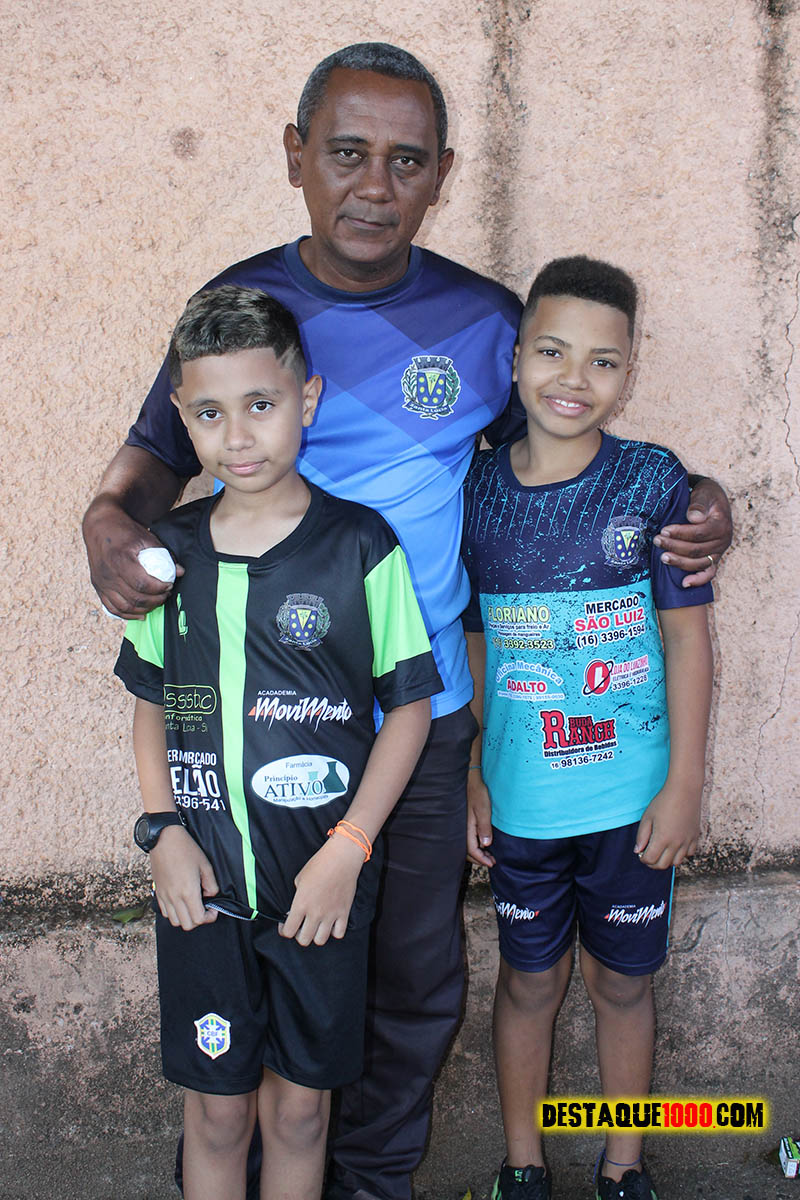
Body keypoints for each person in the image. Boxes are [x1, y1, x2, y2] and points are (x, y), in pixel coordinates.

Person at [83, 44, 732, 1200]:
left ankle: (370, 1184)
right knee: (252, 960)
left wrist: (698, 502)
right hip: (256, 721)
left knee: (413, 978)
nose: (374, 186)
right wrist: (103, 522)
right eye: (345, 153)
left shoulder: (481, 320)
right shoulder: (242, 308)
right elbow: (152, 457)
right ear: (296, 156)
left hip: (423, 718)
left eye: (405, 160)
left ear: (441, 174)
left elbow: (560, 450)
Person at [115, 284, 441, 1200]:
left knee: (300, 1115)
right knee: (218, 1116)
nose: (239, 436)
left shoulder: (361, 546)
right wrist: (161, 832)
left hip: (320, 894)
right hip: (203, 893)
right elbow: (149, 701)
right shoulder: (169, 554)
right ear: (182, 415)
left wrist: (349, 848)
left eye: (261, 404)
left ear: (308, 399)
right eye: (210, 413)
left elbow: (409, 708)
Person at [463, 256, 715, 1200]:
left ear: (629, 373)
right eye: (553, 352)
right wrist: (476, 770)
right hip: (523, 804)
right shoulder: (475, 491)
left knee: (623, 984)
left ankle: (623, 1166)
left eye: (603, 361)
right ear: (516, 358)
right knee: (529, 983)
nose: (574, 379)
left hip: (634, 806)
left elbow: (687, 641)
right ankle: (523, 1166)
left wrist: (683, 784)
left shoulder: (652, 482)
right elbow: (475, 638)